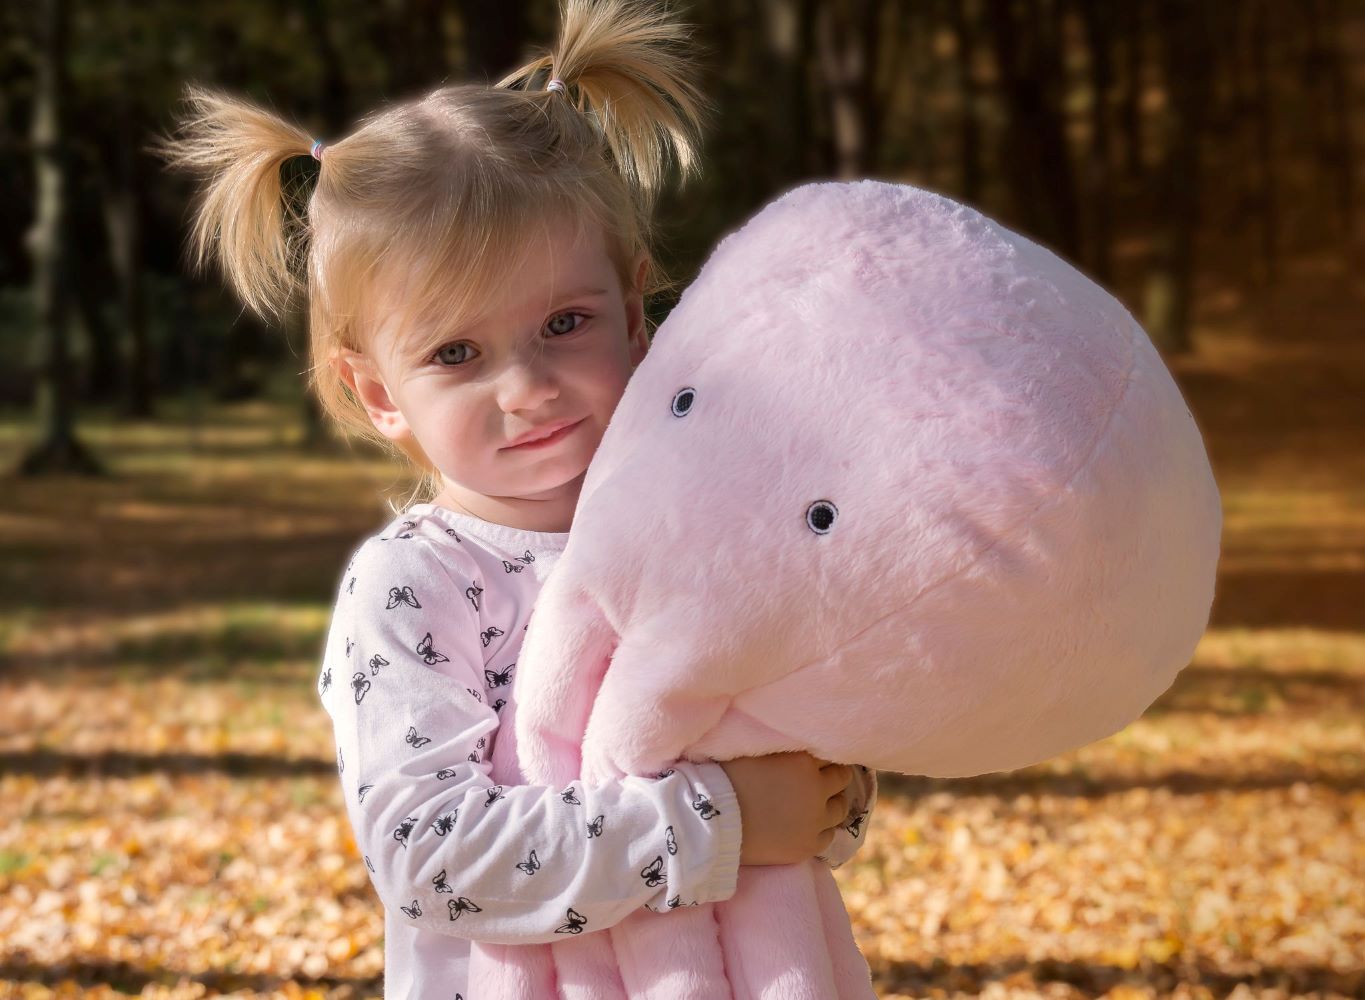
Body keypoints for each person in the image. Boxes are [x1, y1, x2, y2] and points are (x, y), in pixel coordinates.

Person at [162, 0, 876, 995]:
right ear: (377, 392)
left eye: (564, 323)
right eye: (457, 352)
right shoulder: (414, 586)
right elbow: (431, 857)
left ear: (633, 311)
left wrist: (828, 799)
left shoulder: (704, 531)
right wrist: (718, 821)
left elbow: (811, 765)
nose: (527, 387)